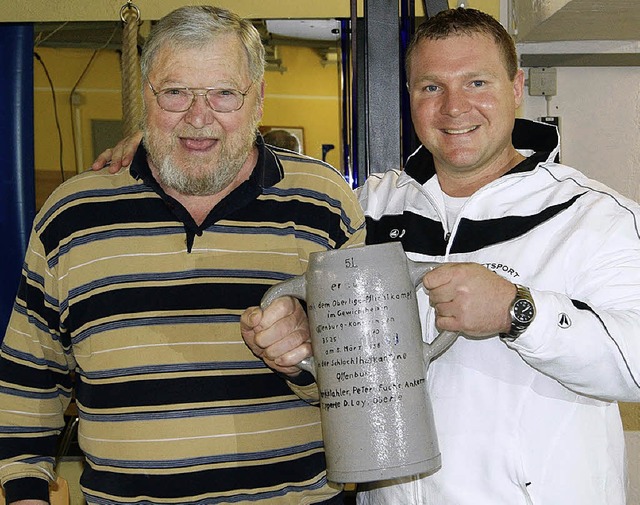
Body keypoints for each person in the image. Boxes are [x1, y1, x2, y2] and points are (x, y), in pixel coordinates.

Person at [91, 7, 640, 504]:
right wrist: (162, 147)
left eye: (477, 82)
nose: (454, 107)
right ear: (408, 95)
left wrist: (521, 313)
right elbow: (261, 181)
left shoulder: (595, 216)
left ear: (517, 87)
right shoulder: (365, 207)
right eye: (430, 87)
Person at [0, 5, 365, 505]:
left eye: (223, 93)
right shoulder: (72, 213)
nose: (198, 116)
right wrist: (24, 493)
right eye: (175, 93)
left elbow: (368, 384)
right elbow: (28, 378)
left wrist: (309, 351)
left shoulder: (324, 205)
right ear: (145, 98)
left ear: (258, 99)